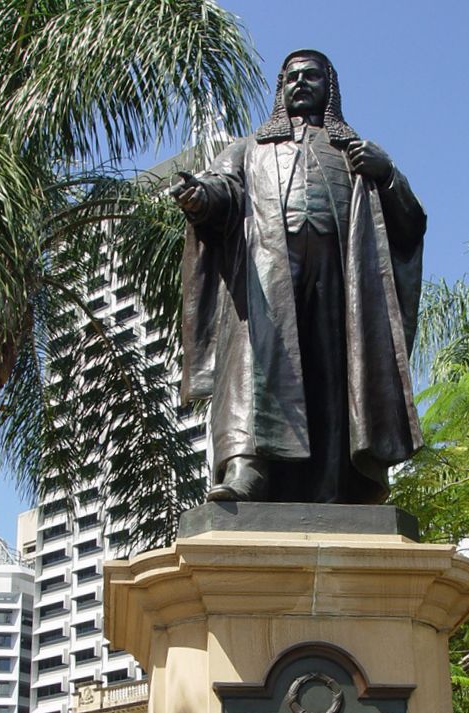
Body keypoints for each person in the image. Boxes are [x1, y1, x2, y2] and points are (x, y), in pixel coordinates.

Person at [172, 49, 426, 504]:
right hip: (265, 277)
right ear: (280, 87)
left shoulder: (353, 151)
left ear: (329, 87)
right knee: (257, 369)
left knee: (333, 376)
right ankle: (247, 471)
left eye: (312, 76)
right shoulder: (249, 149)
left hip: (340, 278)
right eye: (292, 77)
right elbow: (222, 192)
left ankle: (338, 487)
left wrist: (387, 175)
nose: (301, 84)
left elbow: (409, 224)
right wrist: (199, 197)